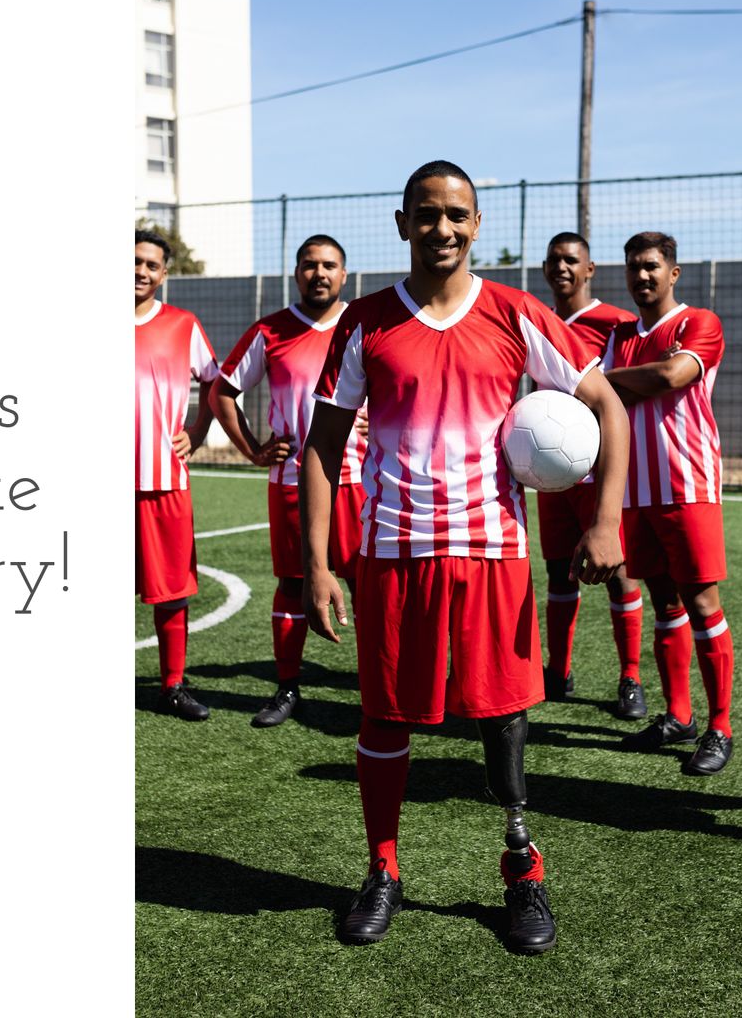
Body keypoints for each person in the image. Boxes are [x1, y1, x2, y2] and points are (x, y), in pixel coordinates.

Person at [300, 161, 629, 953]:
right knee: (385, 713)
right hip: (393, 550)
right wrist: (318, 564)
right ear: (403, 222)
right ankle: (383, 870)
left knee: (503, 715)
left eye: (456, 215)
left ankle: (522, 870)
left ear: (476, 225)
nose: (442, 228)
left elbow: (607, 406)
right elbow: (323, 443)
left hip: (491, 551)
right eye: (426, 214)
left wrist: (606, 518)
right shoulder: (367, 321)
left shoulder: (518, 314)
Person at [210, 235, 367, 727]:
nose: (319, 273)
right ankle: (287, 686)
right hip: (294, 480)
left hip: (363, 479)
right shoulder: (271, 330)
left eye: (329, 265)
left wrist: (377, 421)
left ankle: (380, 687)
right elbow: (221, 391)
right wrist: (253, 449)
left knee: (371, 584)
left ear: (344, 274)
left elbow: (401, 389)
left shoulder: (366, 323)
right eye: (309, 265)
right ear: (296, 273)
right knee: (292, 583)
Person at [604, 232, 735, 774]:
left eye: (652, 266)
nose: (643, 276)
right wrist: (620, 384)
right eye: (634, 267)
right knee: (665, 606)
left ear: (673, 272)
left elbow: (671, 375)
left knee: (703, 605)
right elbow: (610, 395)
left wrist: (611, 382)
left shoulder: (697, 322)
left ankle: (720, 726)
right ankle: (679, 715)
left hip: (688, 487)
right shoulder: (618, 335)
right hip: (636, 490)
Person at [538, 233, 646, 718]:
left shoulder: (618, 324)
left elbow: (630, 393)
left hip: (600, 472)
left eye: (571, 260)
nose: (562, 267)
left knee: (619, 573)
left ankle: (631, 677)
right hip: (550, 475)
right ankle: (556, 671)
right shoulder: (538, 323)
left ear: (589, 269)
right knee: (559, 573)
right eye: (554, 260)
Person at [135, 229, 218, 720]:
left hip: (164, 478)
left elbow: (214, 382)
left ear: (164, 275)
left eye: (150, 264)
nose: (140, 271)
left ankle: (171, 685)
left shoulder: (182, 324)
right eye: (134, 261)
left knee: (170, 590)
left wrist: (199, 430)